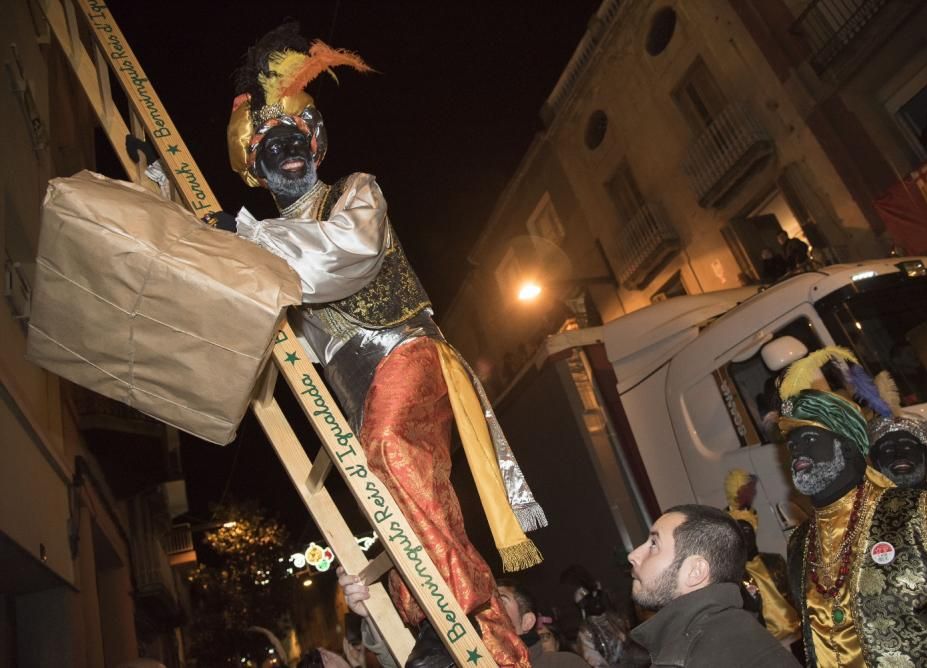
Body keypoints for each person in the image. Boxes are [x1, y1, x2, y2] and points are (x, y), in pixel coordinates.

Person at [228, 24, 548, 668]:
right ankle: (452, 628)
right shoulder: (263, 245)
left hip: (407, 353)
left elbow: (349, 254)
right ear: (256, 167)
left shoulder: (354, 192)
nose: (291, 151)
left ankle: (450, 615)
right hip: (356, 390)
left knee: (392, 456)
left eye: (299, 139)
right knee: (394, 502)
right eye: (274, 146)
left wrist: (246, 239)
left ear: (317, 147)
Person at [777, 347, 927, 666]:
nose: (798, 451)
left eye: (811, 439)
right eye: (792, 444)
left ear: (848, 445)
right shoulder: (799, 543)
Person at [627, 505, 798, 668]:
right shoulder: (736, 634)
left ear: (696, 571)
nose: (633, 555)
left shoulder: (694, 656)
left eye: (654, 544)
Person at [723, 469, 802, 650]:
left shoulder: (773, 562)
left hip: (795, 633)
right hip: (770, 643)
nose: (753, 492)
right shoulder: (738, 577)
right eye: (748, 488)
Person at [496, 580, 591, 668]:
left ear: (527, 621)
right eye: (487, 602)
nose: (490, 609)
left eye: (501, 601)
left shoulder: (565, 664)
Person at [868, 413, 927, 490]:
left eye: (908, 447)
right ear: (876, 463)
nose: (899, 455)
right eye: (888, 450)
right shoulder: (861, 501)